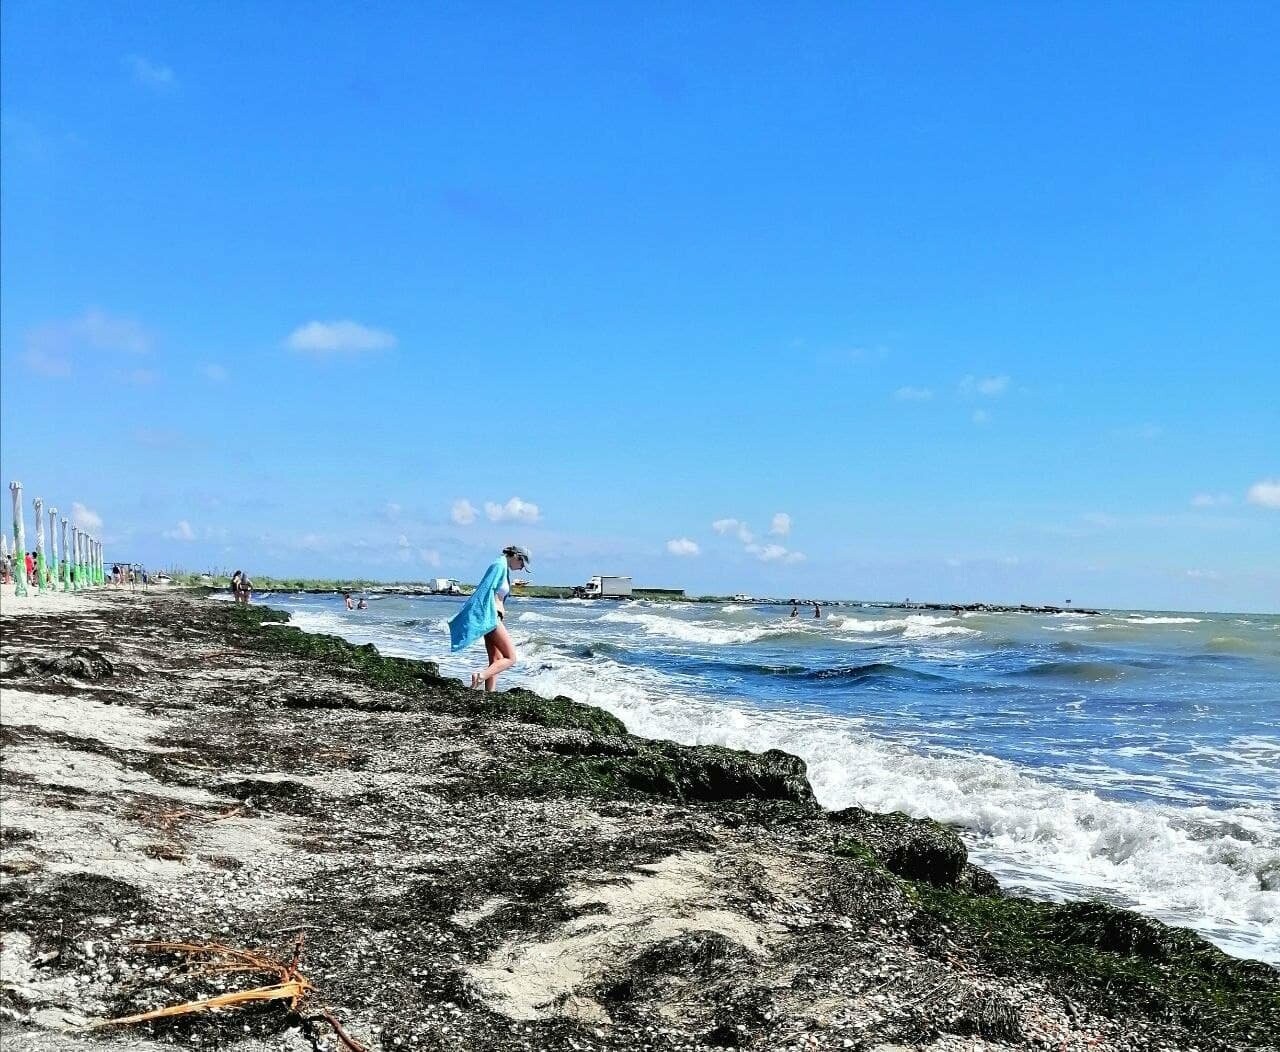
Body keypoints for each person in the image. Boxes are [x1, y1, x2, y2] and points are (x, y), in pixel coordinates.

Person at [450, 545, 531, 691]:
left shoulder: (503, 566)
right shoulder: (499, 565)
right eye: (522, 564)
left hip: (492, 616)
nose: (521, 568)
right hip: (491, 617)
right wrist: (491, 613)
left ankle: (489, 694)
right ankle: (480, 676)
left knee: (496, 659)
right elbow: (485, 590)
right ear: (516, 556)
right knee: (511, 658)